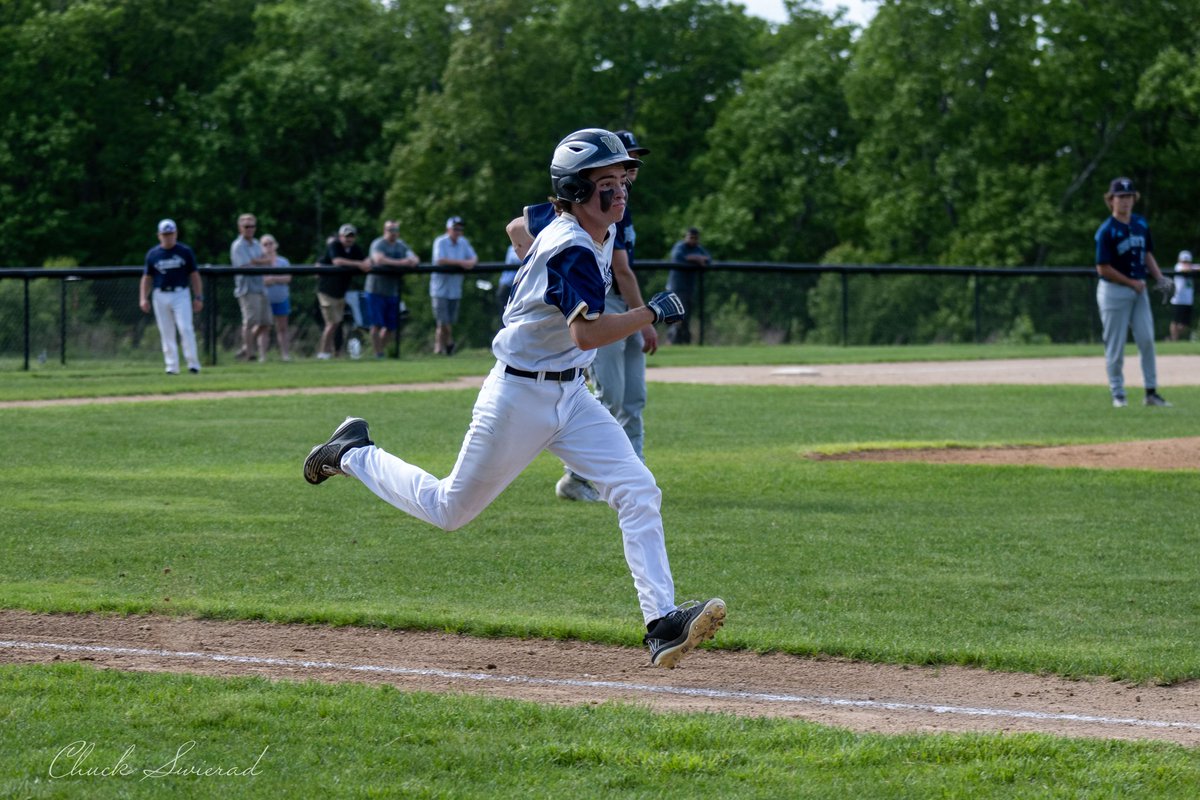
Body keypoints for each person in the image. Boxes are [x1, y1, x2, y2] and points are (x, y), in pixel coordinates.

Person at [304, 128, 723, 670]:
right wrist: (651, 313)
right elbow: (588, 334)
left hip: (570, 394)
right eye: (607, 184)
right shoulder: (572, 245)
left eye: (623, 181)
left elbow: (525, 232)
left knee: (638, 488)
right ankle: (352, 452)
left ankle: (661, 621)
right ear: (574, 191)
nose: (620, 193)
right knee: (448, 510)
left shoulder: (572, 226)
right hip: (519, 396)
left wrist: (534, 274)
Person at [1094, 177, 1172, 408]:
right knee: (1115, 346)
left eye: (1129, 197)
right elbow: (1102, 267)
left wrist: (1159, 277)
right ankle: (1118, 393)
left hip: (1139, 291)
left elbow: (1147, 253)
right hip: (1114, 292)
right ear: (1111, 200)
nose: (1125, 201)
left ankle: (1151, 393)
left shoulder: (1140, 224)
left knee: (1147, 339)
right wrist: (1130, 282)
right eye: (1121, 197)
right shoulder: (1106, 230)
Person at [138, 218, 203, 375]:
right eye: (165, 234)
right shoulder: (153, 254)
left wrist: (199, 296)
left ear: (176, 234)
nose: (168, 237)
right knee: (166, 331)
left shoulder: (184, 252)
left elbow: (194, 275)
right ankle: (171, 367)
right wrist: (143, 298)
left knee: (185, 328)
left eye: (171, 233)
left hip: (180, 293)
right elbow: (147, 278)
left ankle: (193, 365)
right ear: (159, 235)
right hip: (160, 294)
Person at [316, 224, 372, 360]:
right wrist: (358, 264)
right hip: (326, 291)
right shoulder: (334, 245)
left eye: (351, 236)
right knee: (331, 323)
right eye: (346, 236)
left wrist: (367, 262)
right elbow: (337, 261)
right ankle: (323, 353)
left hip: (340, 293)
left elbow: (365, 260)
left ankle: (335, 353)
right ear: (340, 236)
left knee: (337, 323)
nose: (349, 239)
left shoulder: (354, 249)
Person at [367, 221, 419, 359]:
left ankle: (380, 353)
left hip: (392, 291)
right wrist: (401, 263)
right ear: (384, 230)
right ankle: (378, 354)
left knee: (391, 326)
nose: (393, 232)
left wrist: (411, 261)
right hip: (375, 290)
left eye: (395, 230)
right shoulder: (378, 244)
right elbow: (378, 259)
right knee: (376, 325)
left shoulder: (401, 245)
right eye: (390, 229)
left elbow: (414, 258)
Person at [430, 216, 478, 355]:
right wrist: (462, 263)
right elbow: (440, 260)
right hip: (440, 289)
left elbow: (473, 257)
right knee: (443, 320)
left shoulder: (463, 242)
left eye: (460, 228)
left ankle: (438, 349)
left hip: (455, 288)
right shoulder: (440, 241)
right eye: (455, 228)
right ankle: (449, 342)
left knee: (445, 321)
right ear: (448, 229)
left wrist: (471, 262)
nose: (458, 231)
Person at [230, 214, 274, 362]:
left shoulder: (256, 243)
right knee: (250, 322)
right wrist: (259, 261)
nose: (249, 229)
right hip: (247, 289)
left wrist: (256, 261)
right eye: (246, 226)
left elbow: (268, 261)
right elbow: (244, 265)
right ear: (240, 228)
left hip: (261, 287)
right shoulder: (238, 245)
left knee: (266, 323)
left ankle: (246, 348)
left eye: (252, 226)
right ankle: (249, 355)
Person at [665, 227, 711, 345]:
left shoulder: (698, 248)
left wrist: (697, 259)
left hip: (689, 288)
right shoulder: (680, 246)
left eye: (695, 238)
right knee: (677, 316)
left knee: (686, 316)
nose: (692, 240)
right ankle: (672, 341)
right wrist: (697, 259)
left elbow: (709, 259)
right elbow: (678, 257)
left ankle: (684, 342)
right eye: (690, 237)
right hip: (676, 288)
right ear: (686, 237)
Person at [261, 234, 292, 361]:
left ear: (275, 245)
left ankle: (285, 355)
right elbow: (260, 281)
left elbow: (288, 278)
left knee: (282, 328)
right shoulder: (259, 262)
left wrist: (273, 278)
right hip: (265, 300)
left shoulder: (283, 261)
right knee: (264, 328)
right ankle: (262, 356)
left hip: (281, 298)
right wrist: (277, 279)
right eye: (265, 244)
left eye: (270, 243)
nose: (268, 246)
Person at [1170, 249, 1194, 342]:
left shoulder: (1192, 268)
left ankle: (1173, 337)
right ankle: (1174, 339)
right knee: (1175, 321)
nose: (1185, 263)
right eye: (1184, 261)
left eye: (1187, 261)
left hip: (1188, 300)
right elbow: (1185, 269)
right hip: (1178, 299)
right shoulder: (1178, 267)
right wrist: (1191, 267)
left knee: (1185, 324)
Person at [497, 243, 521, 320]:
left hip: (519, 287)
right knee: (504, 314)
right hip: (507, 286)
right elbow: (519, 260)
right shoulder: (512, 248)